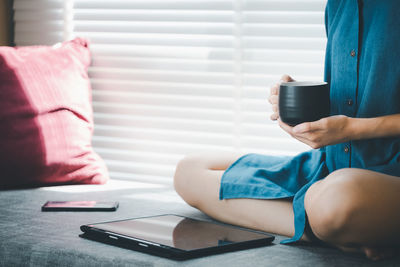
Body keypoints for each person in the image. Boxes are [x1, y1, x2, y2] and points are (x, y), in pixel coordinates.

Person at [174, 0, 400, 261]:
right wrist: (297, 102)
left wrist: (353, 129)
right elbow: (357, 95)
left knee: (339, 197)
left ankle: (339, 222)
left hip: (381, 177)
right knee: (189, 172)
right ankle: (335, 228)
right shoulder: (338, 5)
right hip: (330, 167)